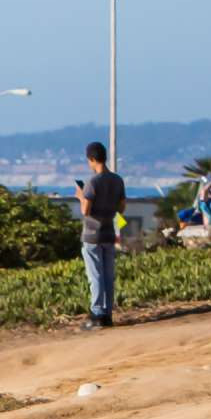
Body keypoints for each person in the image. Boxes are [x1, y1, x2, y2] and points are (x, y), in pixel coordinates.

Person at [75, 141, 125, 330]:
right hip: (109, 232)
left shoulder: (92, 182)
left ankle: (97, 312)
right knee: (107, 274)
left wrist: (80, 196)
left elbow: (86, 211)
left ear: (92, 159)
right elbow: (122, 207)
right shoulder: (117, 180)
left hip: (92, 234)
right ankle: (107, 314)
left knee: (95, 274)